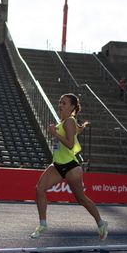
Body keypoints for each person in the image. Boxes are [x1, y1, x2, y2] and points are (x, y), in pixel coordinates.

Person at [30, 93, 108, 241]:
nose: (60, 105)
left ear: (72, 107)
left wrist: (54, 134)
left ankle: (101, 223)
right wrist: (54, 134)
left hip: (71, 167)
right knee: (39, 189)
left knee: (81, 200)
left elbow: (70, 145)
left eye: (64, 103)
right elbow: (59, 145)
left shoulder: (69, 122)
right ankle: (43, 224)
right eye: (60, 102)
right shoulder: (62, 122)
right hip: (57, 165)